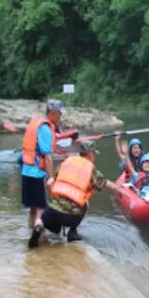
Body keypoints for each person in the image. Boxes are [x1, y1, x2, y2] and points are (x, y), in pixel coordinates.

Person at [28, 140, 123, 248]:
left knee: (41, 219)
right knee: (85, 202)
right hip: (71, 217)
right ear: (91, 154)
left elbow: (51, 182)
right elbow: (104, 183)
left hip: (53, 212)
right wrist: (119, 189)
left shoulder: (67, 162)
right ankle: (72, 232)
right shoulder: (90, 169)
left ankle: (38, 227)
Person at [20, 99, 65, 230]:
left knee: (33, 209)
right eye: (59, 114)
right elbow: (48, 157)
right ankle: (41, 239)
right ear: (52, 112)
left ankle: (31, 234)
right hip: (36, 174)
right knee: (40, 209)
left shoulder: (36, 122)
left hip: (26, 171)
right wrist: (51, 178)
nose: (60, 117)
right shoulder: (45, 128)